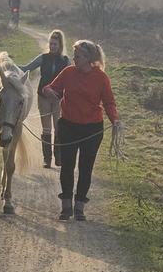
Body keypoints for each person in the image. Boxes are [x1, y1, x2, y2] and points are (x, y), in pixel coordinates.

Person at [42, 40, 121, 221]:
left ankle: (79, 207)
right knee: (67, 166)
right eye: (74, 56)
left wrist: (115, 120)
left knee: (86, 168)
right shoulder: (68, 72)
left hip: (92, 129)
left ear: (88, 58)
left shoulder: (101, 78)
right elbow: (50, 87)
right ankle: (66, 206)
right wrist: (48, 91)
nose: (74, 59)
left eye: (77, 56)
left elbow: (109, 102)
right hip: (68, 126)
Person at [20, 30, 70, 168]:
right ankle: (47, 159)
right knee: (46, 128)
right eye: (51, 44)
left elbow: (72, 77)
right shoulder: (43, 58)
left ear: (60, 45)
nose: (52, 46)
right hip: (43, 97)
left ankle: (58, 156)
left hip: (59, 98)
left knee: (58, 127)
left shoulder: (66, 61)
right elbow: (27, 68)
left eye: (55, 44)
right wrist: (10, 65)